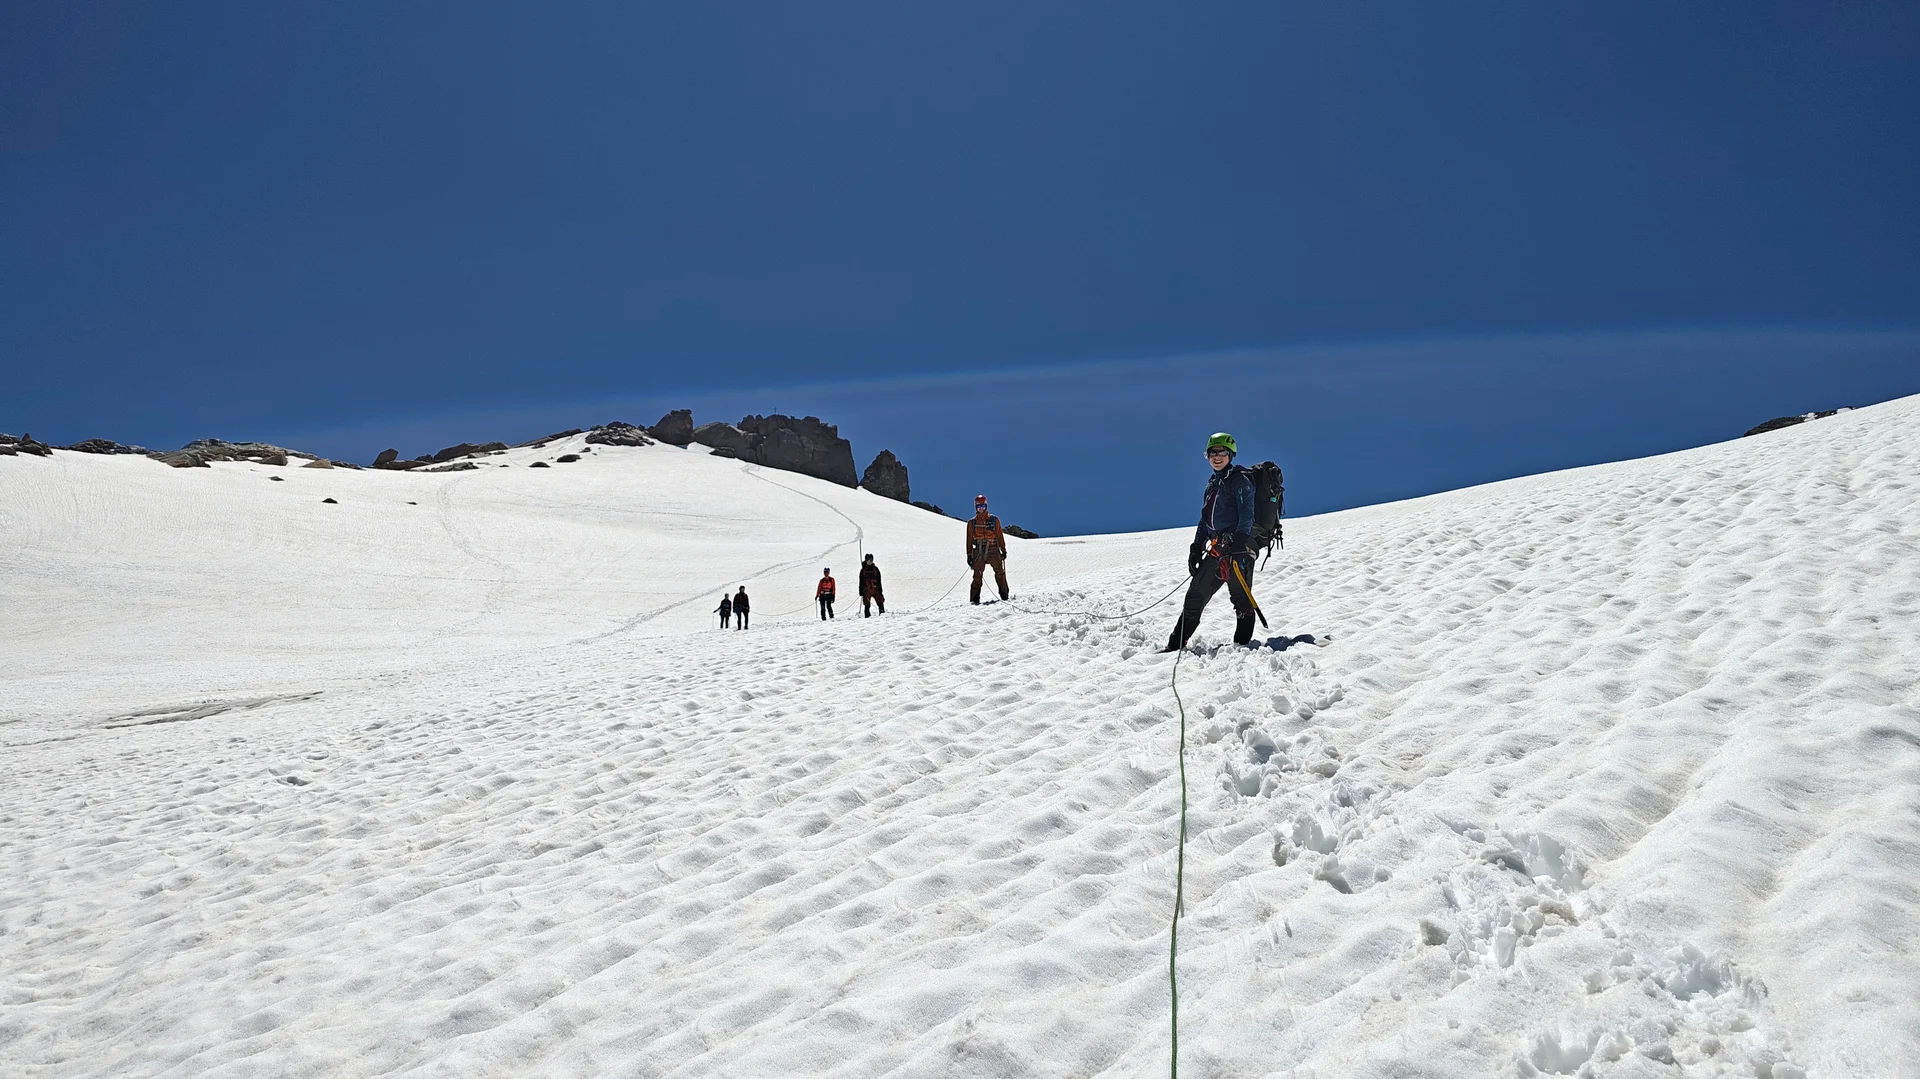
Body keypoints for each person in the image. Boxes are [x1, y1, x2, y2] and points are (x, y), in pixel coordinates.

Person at [1163, 432, 1259, 651]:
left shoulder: (1239, 481)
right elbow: (1205, 520)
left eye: (1222, 452)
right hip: (1217, 549)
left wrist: (1240, 543)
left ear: (1230, 454)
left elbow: (1247, 514)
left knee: (1241, 599)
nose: (1217, 457)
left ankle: (1242, 648)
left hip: (1237, 547)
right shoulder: (1212, 486)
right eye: (1212, 453)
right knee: (1195, 595)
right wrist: (1196, 547)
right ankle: (1174, 647)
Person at [966, 494, 1010, 604]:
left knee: (1000, 572)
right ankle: (974, 600)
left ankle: (1004, 596)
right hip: (979, 551)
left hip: (993, 548)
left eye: (983, 507)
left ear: (986, 506)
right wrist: (969, 555)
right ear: (976, 508)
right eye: (979, 507)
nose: (981, 509)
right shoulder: (972, 523)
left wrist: (1003, 550)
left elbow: (999, 535)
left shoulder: (994, 520)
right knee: (977, 575)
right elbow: (969, 540)